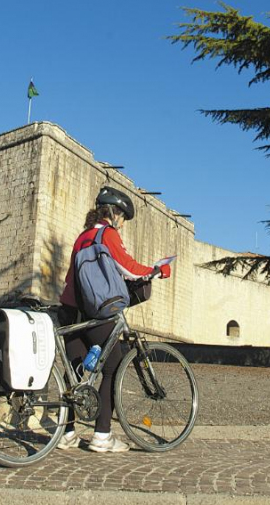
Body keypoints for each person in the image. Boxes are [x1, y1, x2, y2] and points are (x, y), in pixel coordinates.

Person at [55, 185, 171, 452]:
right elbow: (128, 268)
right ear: (114, 212)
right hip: (97, 313)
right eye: (122, 217)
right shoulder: (107, 234)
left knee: (74, 372)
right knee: (113, 368)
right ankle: (102, 435)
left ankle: (67, 433)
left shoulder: (82, 236)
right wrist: (157, 270)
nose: (122, 223)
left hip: (70, 310)